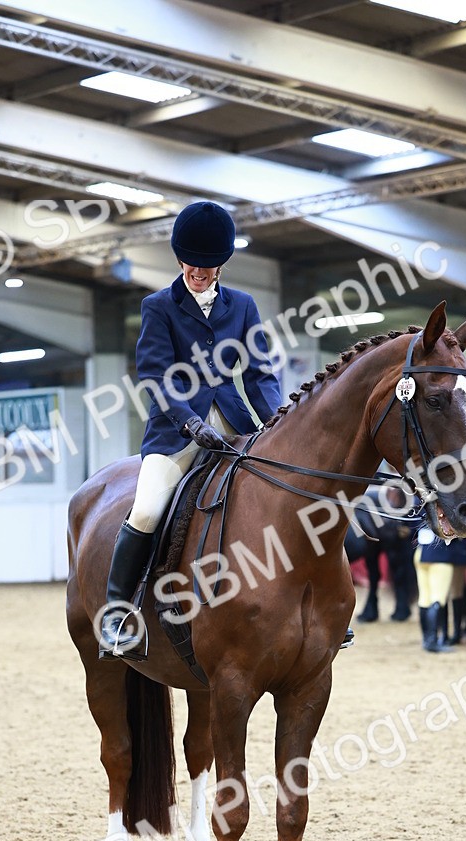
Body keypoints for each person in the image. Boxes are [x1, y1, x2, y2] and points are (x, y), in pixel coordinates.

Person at [100, 201, 283, 657]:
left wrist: (279, 421)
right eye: (190, 262)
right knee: (146, 510)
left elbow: (259, 374)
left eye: (207, 264)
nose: (197, 272)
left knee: (286, 493)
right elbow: (156, 375)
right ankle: (117, 615)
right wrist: (189, 421)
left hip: (235, 424)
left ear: (221, 263)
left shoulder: (243, 306)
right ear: (179, 258)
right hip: (176, 431)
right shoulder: (158, 306)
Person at [414, 528, 466, 653]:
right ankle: (432, 640)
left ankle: (427, 639)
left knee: (424, 599)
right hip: (441, 554)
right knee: (437, 599)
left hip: (422, 550)